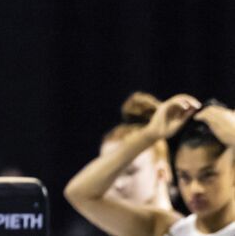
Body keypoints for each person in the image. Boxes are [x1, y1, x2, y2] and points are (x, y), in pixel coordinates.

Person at [65, 95, 235, 236]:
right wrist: (149, 134)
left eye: (208, 175)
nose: (195, 189)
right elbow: (80, 194)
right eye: (185, 177)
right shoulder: (167, 229)